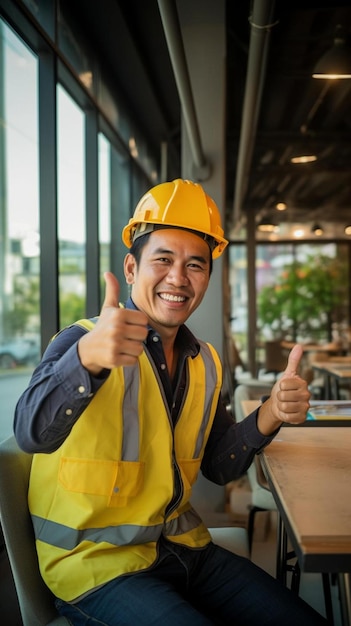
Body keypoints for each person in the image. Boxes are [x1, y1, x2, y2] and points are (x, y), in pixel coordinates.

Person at [14, 179, 328, 625]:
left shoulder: (206, 362)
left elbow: (219, 466)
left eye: (195, 265)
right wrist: (86, 361)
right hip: (97, 567)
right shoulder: (81, 341)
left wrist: (271, 412)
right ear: (130, 269)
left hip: (184, 551)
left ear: (207, 279)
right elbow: (31, 431)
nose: (178, 278)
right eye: (162, 259)